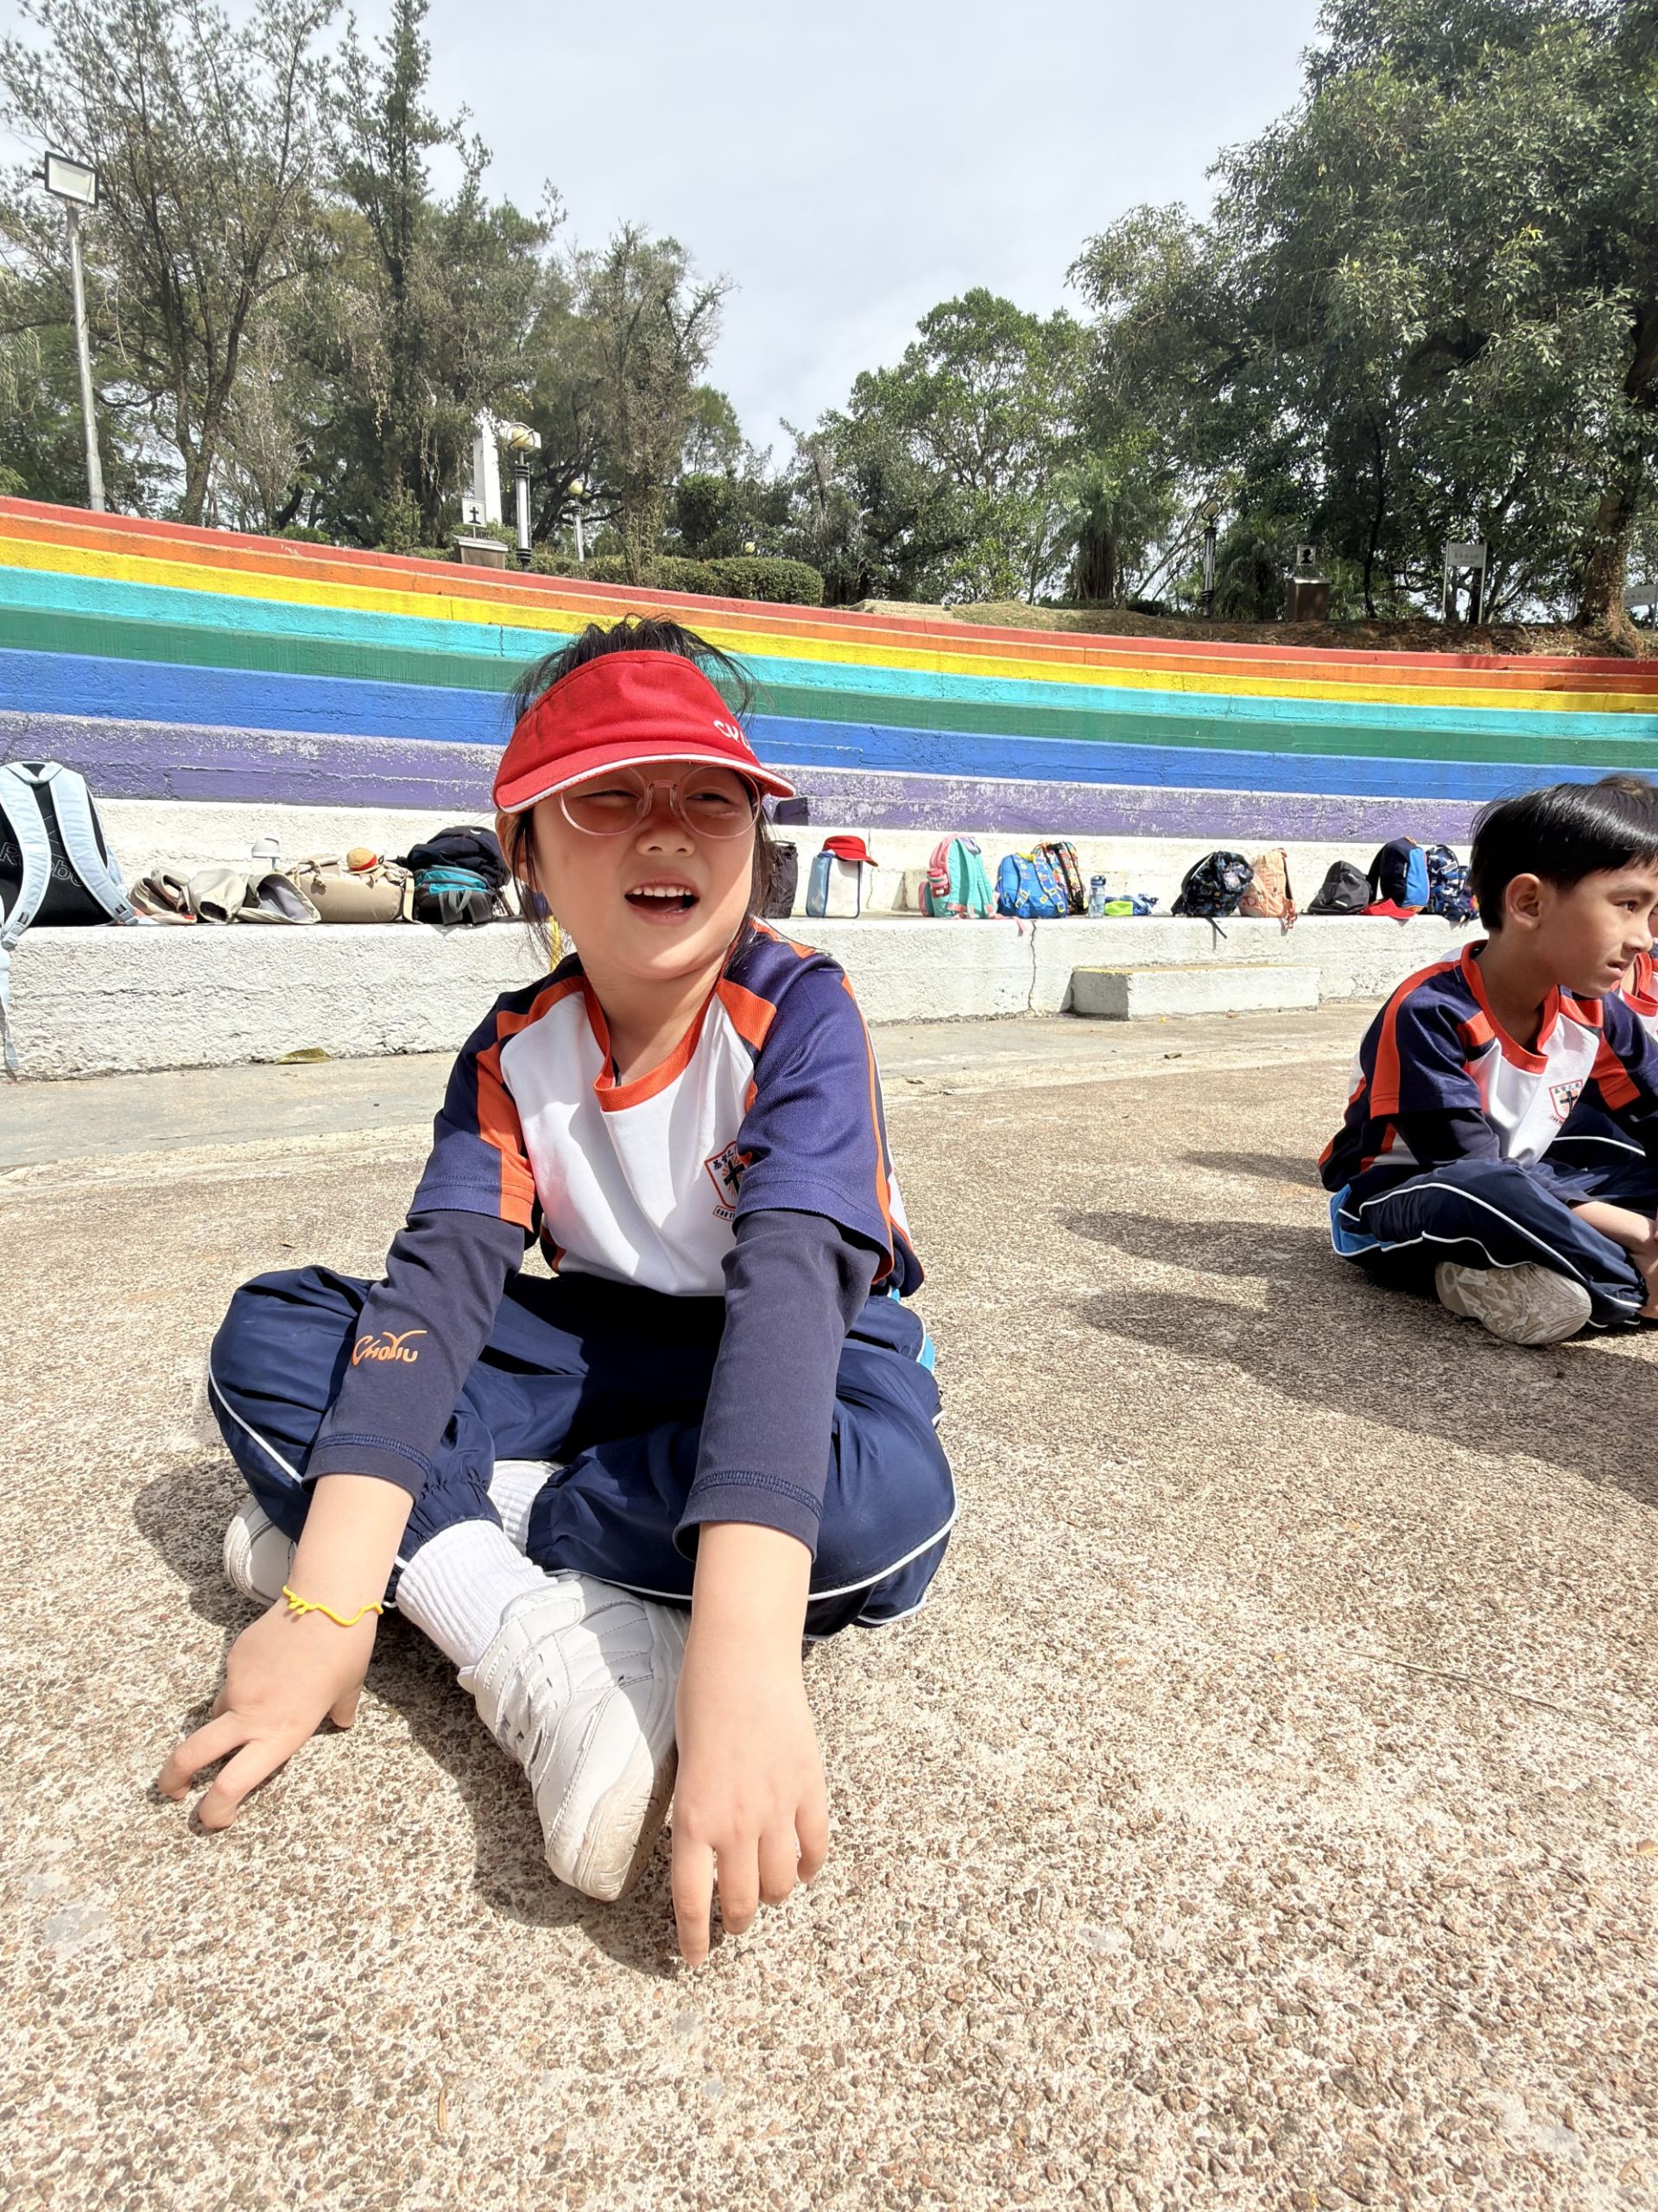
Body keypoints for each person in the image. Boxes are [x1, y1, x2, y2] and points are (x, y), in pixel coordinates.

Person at [158, 617, 955, 1964]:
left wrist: (742, 1673)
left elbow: (787, 1305)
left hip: (805, 1350)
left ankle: (443, 1527)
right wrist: (323, 1613)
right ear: (523, 847)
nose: (667, 831)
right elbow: (433, 1299)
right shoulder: (514, 1049)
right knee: (278, 1331)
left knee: (884, 1513)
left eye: (711, 797)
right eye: (609, 796)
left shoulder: (801, 1013)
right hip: (603, 1351)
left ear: (756, 839)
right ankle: (516, 1617)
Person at [1319, 777, 1658, 1345]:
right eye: (1628, 906)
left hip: (1531, 1183)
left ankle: (1546, 1278)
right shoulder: (1430, 1011)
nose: (1644, 939)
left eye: (1651, 913)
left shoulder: (1594, 1008)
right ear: (1529, 903)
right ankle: (1626, 1283)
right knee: (1487, 1192)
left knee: (1621, 1150)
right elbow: (1471, 1167)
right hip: (1410, 1195)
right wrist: (1642, 1233)